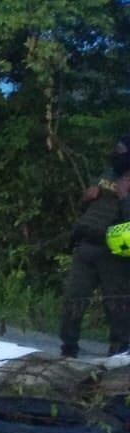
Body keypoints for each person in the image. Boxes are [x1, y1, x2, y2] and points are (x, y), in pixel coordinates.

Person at [60, 134, 130, 357]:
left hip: (113, 252)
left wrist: (124, 197)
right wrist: (86, 197)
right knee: (73, 298)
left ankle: (120, 349)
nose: (115, 153)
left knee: (116, 303)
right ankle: (68, 347)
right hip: (85, 246)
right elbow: (86, 208)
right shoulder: (107, 172)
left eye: (120, 150)